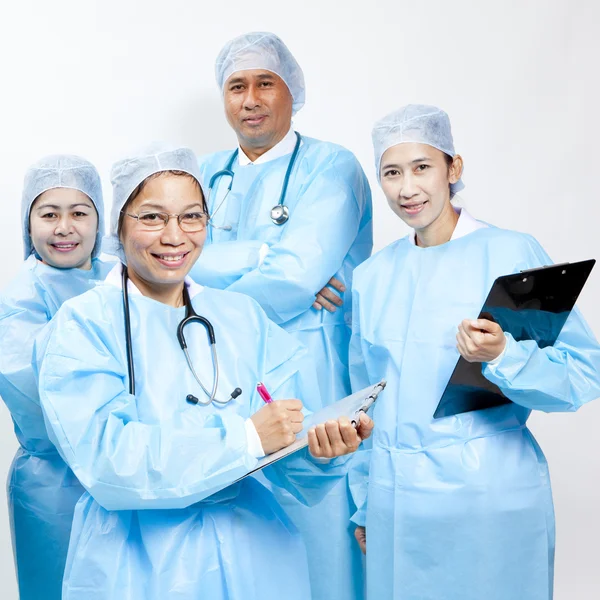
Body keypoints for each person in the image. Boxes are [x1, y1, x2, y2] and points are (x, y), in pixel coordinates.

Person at [34, 144, 373, 600]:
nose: (175, 236)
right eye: (152, 217)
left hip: (256, 557)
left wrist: (324, 449)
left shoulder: (242, 316)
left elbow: (288, 447)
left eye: (192, 216)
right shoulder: (84, 324)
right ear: (117, 226)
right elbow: (104, 460)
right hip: (139, 567)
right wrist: (244, 440)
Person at [349, 104, 600, 600]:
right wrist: (364, 502)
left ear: (453, 169)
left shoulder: (509, 253)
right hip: (397, 503)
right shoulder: (372, 277)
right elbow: (366, 400)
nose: (407, 188)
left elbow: (583, 373)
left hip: (487, 499)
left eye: (422, 167)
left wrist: (506, 355)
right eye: (392, 173)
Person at [189, 32, 373, 599]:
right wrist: (260, 254)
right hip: (216, 374)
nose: (250, 99)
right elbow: (160, 260)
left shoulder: (332, 167)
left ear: (292, 91)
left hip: (308, 367)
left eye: (265, 83)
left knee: (314, 515)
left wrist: (200, 282)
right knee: (233, 535)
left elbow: (296, 275)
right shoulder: (204, 171)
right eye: (236, 86)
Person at [0, 155, 112, 600]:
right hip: (55, 489)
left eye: (79, 213)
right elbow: (38, 395)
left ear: (99, 222)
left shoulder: (120, 278)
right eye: (49, 214)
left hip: (126, 477)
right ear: (28, 225)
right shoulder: (21, 296)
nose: (64, 227)